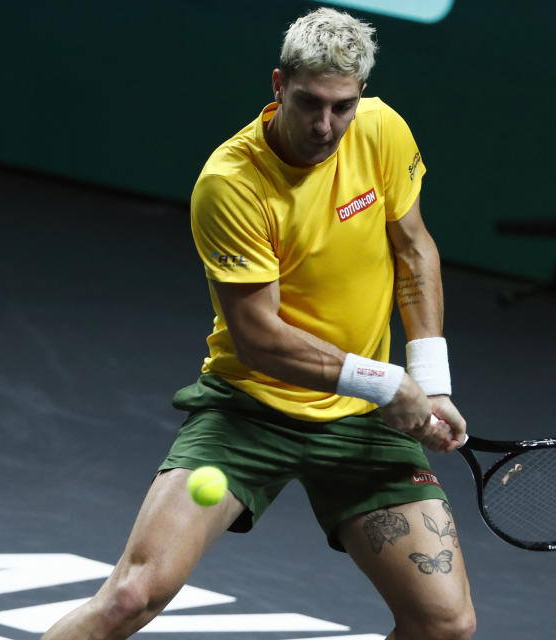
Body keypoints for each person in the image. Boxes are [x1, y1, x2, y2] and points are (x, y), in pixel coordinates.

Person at [41, 8, 475, 640]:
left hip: (359, 422)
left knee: (447, 624)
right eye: (309, 104)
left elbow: (413, 249)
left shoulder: (382, 132)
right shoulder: (232, 183)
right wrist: (389, 384)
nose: (326, 126)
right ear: (278, 86)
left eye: (342, 106)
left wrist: (431, 381)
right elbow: (260, 339)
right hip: (250, 409)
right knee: (132, 595)